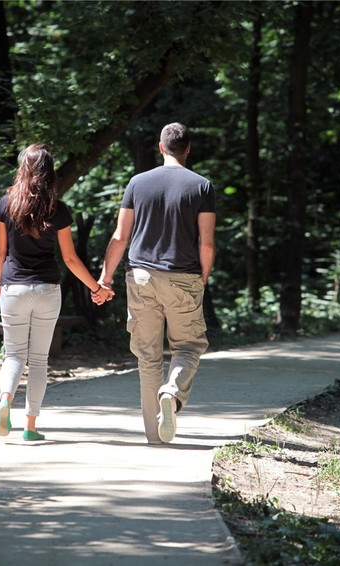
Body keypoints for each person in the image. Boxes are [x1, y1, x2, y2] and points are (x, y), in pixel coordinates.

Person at [97, 122, 216, 444]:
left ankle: (154, 434)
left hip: (141, 277)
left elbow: (121, 236)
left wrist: (104, 279)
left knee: (148, 356)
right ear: (188, 149)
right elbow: (206, 243)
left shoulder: (138, 183)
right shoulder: (202, 186)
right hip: (184, 276)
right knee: (189, 346)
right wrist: (202, 279)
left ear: (160, 147)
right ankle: (172, 391)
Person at [0, 143, 111, 441]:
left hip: (13, 287)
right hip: (46, 289)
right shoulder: (57, 210)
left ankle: (5, 399)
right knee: (39, 360)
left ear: (24, 170)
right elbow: (70, 259)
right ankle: (30, 427)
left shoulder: (6, 205)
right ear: (50, 173)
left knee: (13, 354)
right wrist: (96, 288)